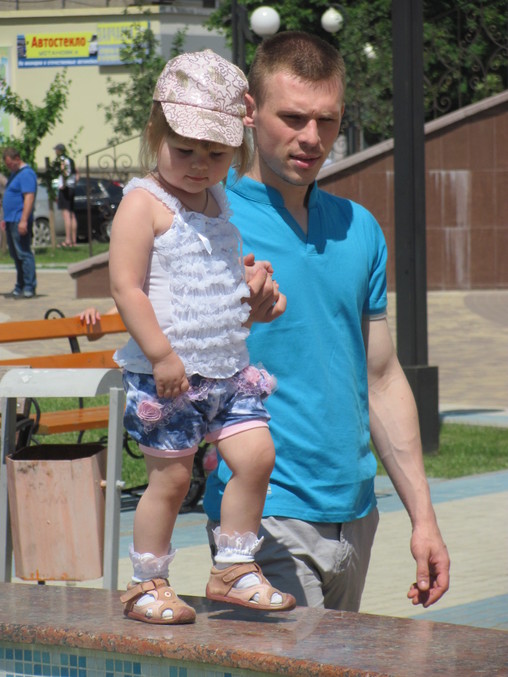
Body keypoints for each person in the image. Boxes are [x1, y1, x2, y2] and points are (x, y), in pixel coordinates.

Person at [203, 31, 450, 613]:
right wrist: (230, 317)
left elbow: (381, 377)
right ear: (249, 111)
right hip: (262, 515)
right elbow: (162, 360)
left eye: (327, 120)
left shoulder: (358, 226)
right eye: (292, 118)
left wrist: (424, 519)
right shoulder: (208, 222)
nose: (312, 138)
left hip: (357, 516)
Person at [108, 49, 295, 625]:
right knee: (171, 480)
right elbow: (126, 287)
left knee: (257, 456)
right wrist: (161, 354)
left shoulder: (219, 201)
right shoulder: (143, 204)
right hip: (169, 375)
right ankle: (146, 582)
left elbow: (213, 280)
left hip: (227, 368)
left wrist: (254, 302)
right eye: (184, 149)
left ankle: (233, 566)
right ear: (155, 134)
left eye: (215, 154)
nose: (198, 165)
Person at [0, 147, 37, 298]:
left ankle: (29, 286)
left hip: (19, 220)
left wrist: (23, 220)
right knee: (16, 255)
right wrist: (5, 218)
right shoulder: (15, 174)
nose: (9, 167)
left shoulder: (26, 174)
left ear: (17, 158)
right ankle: (19, 285)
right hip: (11, 220)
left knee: (23, 253)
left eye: (10, 164)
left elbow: (29, 197)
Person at [54, 143, 79, 247]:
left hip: (65, 188)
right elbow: (77, 174)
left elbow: (63, 171)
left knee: (66, 214)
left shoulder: (62, 160)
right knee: (72, 214)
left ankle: (68, 240)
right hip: (72, 187)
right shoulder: (71, 160)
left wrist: (63, 184)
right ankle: (74, 240)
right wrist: (74, 183)